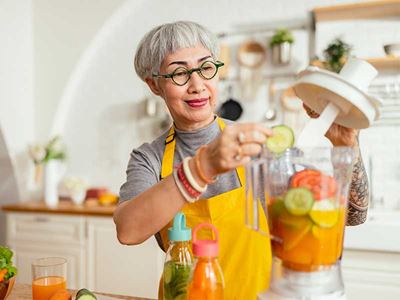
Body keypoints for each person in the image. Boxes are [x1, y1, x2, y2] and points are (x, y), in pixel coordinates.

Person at [114, 21, 369, 299]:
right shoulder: (149, 158)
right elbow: (128, 231)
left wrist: (346, 146)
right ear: (154, 85)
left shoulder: (257, 144)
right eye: (179, 74)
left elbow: (354, 215)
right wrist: (201, 169)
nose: (197, 85)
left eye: (206, 68)